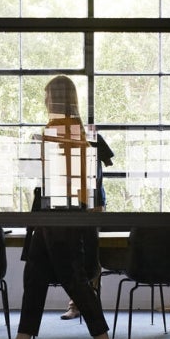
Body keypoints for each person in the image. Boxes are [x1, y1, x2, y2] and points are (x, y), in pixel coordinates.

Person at [0, 75, 117, 339]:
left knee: (74, 281)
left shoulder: (55, 130)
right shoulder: (83, 131)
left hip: (57, 216)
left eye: (47, 96)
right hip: (62, 215)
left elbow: (35, 173)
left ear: (55, 99)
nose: (44, 101)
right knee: (35, 277)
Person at [60, 133, 115, 320]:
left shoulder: (94, 137)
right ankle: (77, 303)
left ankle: (87, 303)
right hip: (72, 202)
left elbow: (107, 162)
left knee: (92, 254)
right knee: (75, 254)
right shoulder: (61, 138)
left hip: (95, 202)